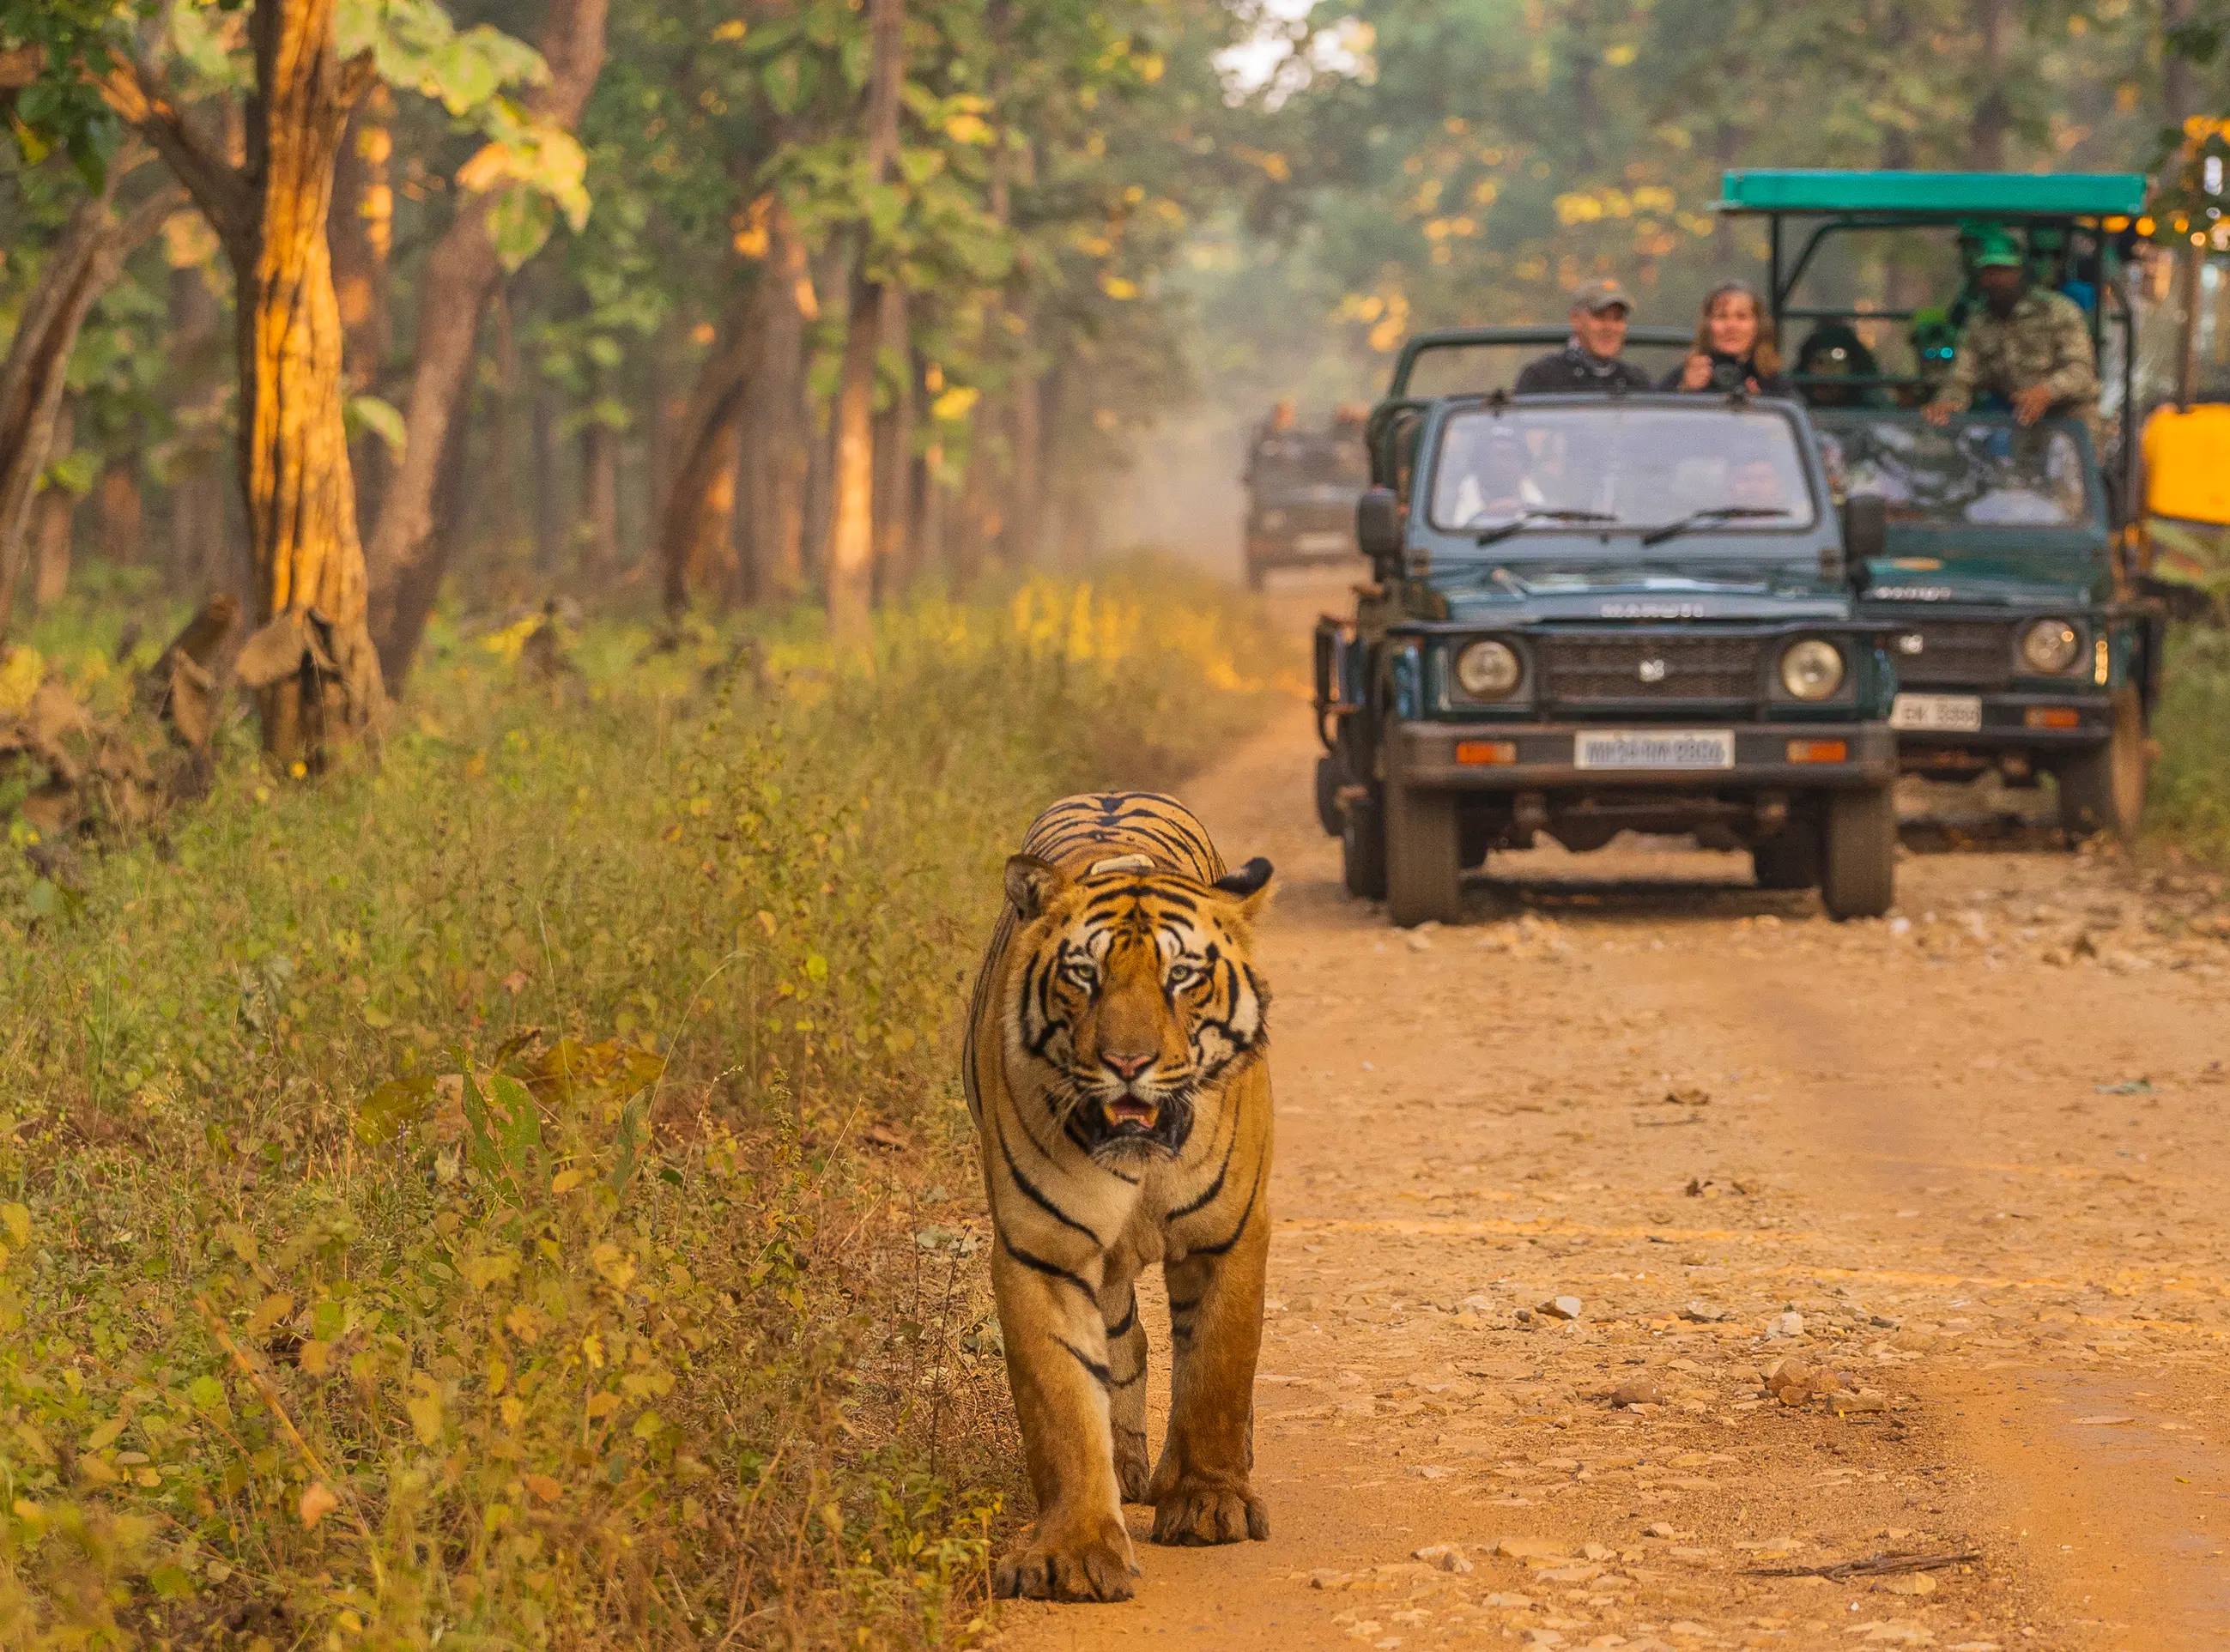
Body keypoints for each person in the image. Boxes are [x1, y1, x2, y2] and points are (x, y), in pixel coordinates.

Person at [1924, 231, 2098, 429]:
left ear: (2020, 272)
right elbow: (1962, 377)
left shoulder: (2057, 311)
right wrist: (1948, 402)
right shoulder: (1979, 321)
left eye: (2003, 271)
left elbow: (2082, 371)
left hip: (2071, 423)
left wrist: (2045, 393)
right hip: (2019, 423)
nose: (1995, 279)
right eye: (1989, 272)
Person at [1516, 278, 1653, 393]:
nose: (1610, 327)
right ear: (1575, 319)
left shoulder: (1636, 380)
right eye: (1599, 316)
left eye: (1617, 318)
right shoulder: (1542, 378)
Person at [1661, 279, 1791, 396]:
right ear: (1707, 326)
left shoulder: (1777, 386)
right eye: (1721, 316)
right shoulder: (1684, 376)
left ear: (1758, 325)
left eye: (1742, 316)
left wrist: (1762, 410)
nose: (1731, 326)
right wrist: (1684, 391)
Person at [1792, 322, 1882, 409]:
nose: (1827, 371)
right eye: (1819, 361)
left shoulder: (1869, 413)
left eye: (1837, 362)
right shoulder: (1795, 409)